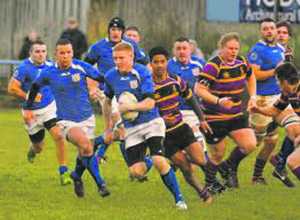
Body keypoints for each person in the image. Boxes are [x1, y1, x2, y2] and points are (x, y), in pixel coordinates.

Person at [103, 42, 187, 210]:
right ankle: (151, 160)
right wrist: (108, 128)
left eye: (121, 58)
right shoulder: (111, 76)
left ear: (131, 57)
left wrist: (129, 107)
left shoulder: (142, 73)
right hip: (131, 128)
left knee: (159, 161)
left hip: (151, 122)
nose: (118, 61)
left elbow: (150, 103)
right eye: (115, 58)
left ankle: (179, 199)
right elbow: (106, 102)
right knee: (136, 172)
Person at [25, 39, 109, 198]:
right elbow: (35, 86)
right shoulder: (49, 72)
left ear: (72, 53)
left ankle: (77, 176)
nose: (65, 56)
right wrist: (29, 108)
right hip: (65, 121)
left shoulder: (80, 66)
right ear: (56, 54)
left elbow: (101, 78)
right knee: (85, 145)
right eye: (62, 53)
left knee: (85, 151)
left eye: (68, 52)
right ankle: (101, 184)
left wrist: (104, 90)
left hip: (87, 117)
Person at [84, 17, 150, 170]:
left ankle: (94, 146)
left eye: (119, 30)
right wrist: (92, 87)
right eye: (113, 29)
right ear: (109, 31)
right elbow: (86, 67)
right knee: (120, 126)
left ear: (123, 31)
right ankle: (138, 165)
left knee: (120, 132)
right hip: (106, 91)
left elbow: (144, 63)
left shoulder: (130, 45)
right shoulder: (98, 47)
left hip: (126, 91)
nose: (116, 32)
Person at [150, 46, 212, 203]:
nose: (159, 65)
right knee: (186, 167)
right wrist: (162, 120)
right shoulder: (147, 86)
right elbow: (146, 111)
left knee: (200, 160)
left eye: (162, 61)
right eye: (155, 62)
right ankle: (203, 194)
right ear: (151, 64)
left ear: (167, 62)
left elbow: (190, 98)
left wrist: (202, 119)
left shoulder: (176, 80)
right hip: (164, 134)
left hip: (181, 129)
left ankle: (176, 160)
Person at [195, 32, 257, 189]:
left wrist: (253, 97)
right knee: (217, 154)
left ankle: (228, 167)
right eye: (230, 48)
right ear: (221, 48)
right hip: (214, 116)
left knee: (250, 144)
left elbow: (251, 77)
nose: (234, 52)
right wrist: (218, 101)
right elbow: (199, 89)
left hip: (236, 113)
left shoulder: (242, 62)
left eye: (236, 48)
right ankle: (209, 186)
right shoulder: (213, 66)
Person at [8, 40, 71, 186]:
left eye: (43, 51)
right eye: (37, 51)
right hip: (31, 113)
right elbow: (11, 88)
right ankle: (32, 150)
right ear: (30, 53)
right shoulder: (23, 68)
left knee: (59, 136)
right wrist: (30, 96)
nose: (41, 54)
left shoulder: (50, 66)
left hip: (50, 109)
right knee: (39, 147)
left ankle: (64, 172)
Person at [248, 18, 285, 184]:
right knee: (254, 142)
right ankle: (229, 165)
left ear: (276, 30)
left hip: (278, 97)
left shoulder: (280, 48)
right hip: (262, 99)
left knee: (273, 140)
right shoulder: (257, 50)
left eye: (272, 28)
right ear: (261, 32)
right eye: (265, 29)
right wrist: (274, 71)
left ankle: (257, 176)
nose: (269, 31)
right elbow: (254, 75)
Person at [250, 62, 300, 182]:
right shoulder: (288, 93)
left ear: (285, 81)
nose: (277, 84)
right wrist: (258, 109)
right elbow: (274, 110)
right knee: (293, 161)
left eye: (278, 80)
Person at [167, 37, 207, 154]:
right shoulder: (168, 66)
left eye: (184, 48)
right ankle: (208, 168)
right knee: (193, 145)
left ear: (190, 49)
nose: (181, 51)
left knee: (192, 148)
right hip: (175, 112)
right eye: (178, 49)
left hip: (194, 111)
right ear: (174, 51)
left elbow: (209, 85)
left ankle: (208, 168)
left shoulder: (199, 64)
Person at [268, 21, 295, 187]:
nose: (281, 35)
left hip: (283, 97)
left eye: (285, 32)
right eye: (279, 32)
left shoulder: (286, 52)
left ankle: (280, 161)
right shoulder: (270, 52)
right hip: (268, 98)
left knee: (294, 128)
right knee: (256, 140)